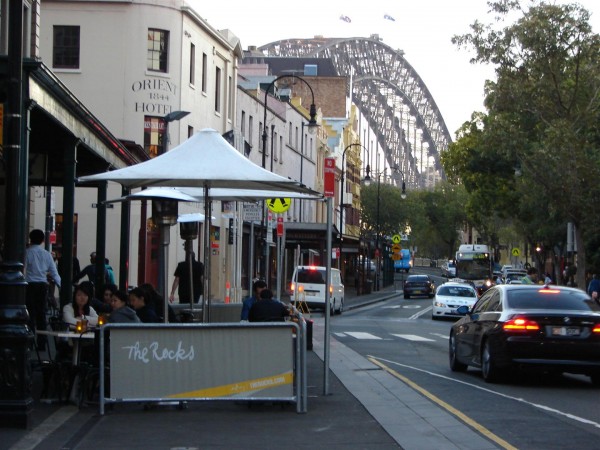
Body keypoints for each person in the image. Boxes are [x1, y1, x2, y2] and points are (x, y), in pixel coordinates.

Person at [24, 229, 61, 349]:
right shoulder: (46, 254)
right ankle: (42, 342)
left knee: (29, 313)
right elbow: (54, 273)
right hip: (42, 285)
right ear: (42, 240)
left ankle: (29, 341)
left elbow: (23, 269)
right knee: (41, 314)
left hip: (30, 285)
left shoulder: (27, 253)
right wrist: (61, 286)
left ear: (30, 239)